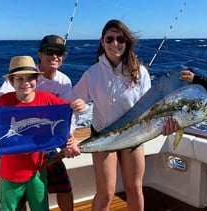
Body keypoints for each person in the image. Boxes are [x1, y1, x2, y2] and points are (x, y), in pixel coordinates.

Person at [69, 19, 179, 211]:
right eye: (109, 39)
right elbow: (72, 105)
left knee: (135, 189)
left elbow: (152, 108)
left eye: (120, 39)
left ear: (126, 42)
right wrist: (72, 126)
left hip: (133, 136)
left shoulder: (140, 72)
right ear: (102, 42)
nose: (115, 44)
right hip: (104, 137)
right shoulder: (92, 73)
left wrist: (168, 124)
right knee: (106, 194)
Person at [0, 35, 84, 211]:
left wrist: (69, 137)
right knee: (4, 204)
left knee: (63, 186)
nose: (54, 56)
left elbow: (67, 114)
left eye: (59, 52)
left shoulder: (64, 81)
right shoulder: (18, 78)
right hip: (15, 157)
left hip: (45, 147)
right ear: (40, 54)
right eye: (49, 51)